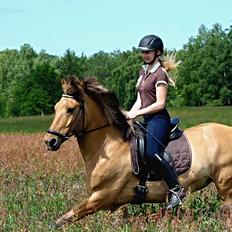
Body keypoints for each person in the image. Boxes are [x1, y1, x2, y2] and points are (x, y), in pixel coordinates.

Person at [126, 34, 186, 209]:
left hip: (159, 119)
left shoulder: (160, 73)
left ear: (157, 52)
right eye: (143, 52)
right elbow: (139, 99)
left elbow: (160, 104)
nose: (144, 55)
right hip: (147, 118)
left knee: (152, 151)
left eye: (148, 52)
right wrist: (130, 113)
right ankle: (142, 186)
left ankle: (176, 190)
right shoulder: (143, 72)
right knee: (136, 148)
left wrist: (137, 113)